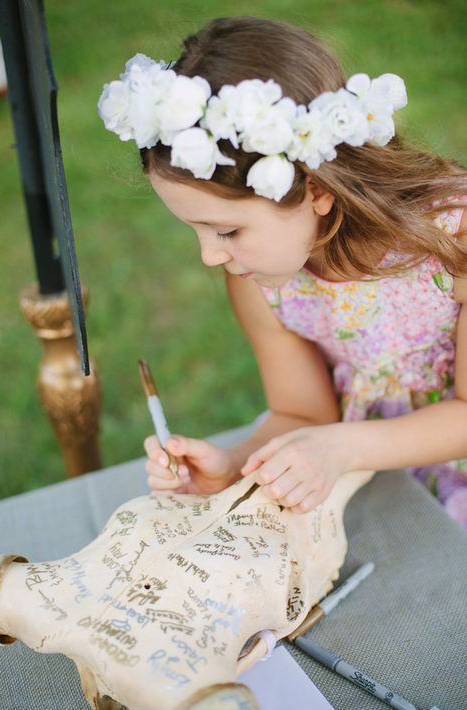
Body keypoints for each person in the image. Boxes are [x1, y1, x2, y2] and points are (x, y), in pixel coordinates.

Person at [98, 16, 467, 527]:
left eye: (226, 231)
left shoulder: (455, 238)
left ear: (316, 189)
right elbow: (302, 414)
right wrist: (231, 466)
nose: (210, 257)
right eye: (196, 230)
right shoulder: (262, 281)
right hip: (363, 476)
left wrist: (339, 447)